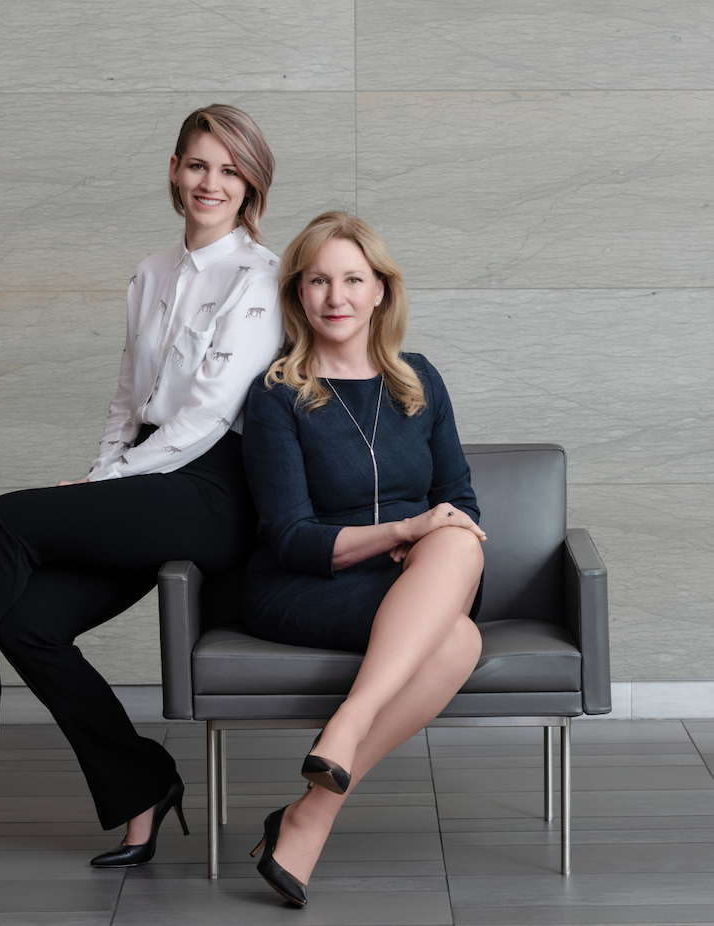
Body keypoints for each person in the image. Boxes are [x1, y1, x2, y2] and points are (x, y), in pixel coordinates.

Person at [0, 104, 284, 869]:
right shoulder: (151, 272)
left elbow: (206, 418)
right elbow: (129, 397)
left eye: (229, 169)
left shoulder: (262, 278)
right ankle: (142, 786)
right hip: (149, 477)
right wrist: (100, 475)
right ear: (172, 170)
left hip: (212, 491)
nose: (210, 182)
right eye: (197, 164)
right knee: (28, 627)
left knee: (6, 518)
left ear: (252, 183)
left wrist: (104, 485)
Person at [241, 211, 486, 906]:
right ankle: (331, 763)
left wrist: (426, 538)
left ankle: (313, 806)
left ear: (381, 290)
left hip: (415, 577)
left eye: (353, 279)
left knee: (460, 538)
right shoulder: (277, 395)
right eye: (318, 280)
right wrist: (403, 531)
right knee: (458, 635)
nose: (336, 297)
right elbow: (289, 535)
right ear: (297, 294)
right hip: (306, 583)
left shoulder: (421, 381)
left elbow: (459, 499)